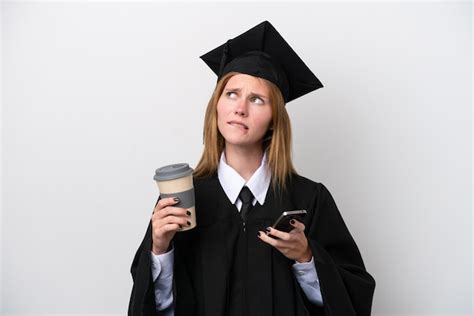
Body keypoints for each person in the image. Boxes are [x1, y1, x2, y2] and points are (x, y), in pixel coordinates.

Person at [128, 21, 376, 316]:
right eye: (231, 93)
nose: (240, 108)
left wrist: (306, 257)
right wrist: (159, 250)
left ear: (275, 119)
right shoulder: (183, 201)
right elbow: (158, 308)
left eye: (257, 99)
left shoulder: (310, 199)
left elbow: (352, 302)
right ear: (216, 106)